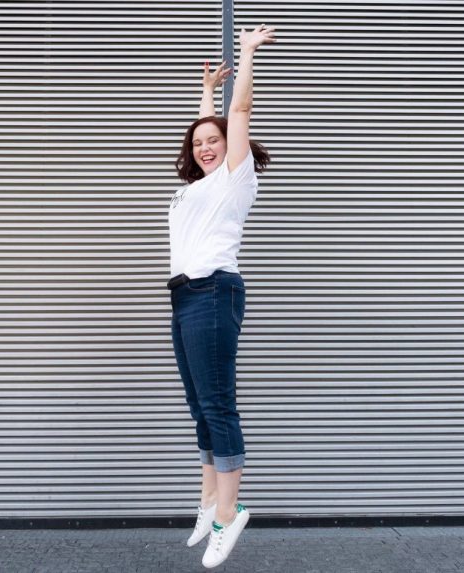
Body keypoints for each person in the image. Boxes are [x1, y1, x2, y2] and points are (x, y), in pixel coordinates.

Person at [167, 23, 276, 569]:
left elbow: (239, 114)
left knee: (217, 403)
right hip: (184, 297)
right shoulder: (196, 187)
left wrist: (247, 55)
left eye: (214, 141)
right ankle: (209, 498)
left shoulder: (237, 176)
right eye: (197, 143)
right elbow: (206, 126)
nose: (206, 147)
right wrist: (205, 91)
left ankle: (230, 512)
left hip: (214, 291)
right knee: (199, 406)